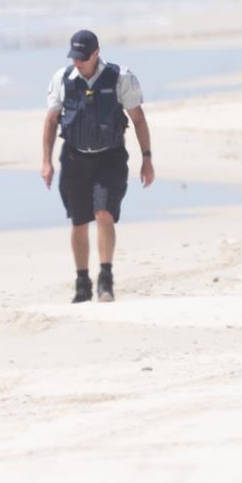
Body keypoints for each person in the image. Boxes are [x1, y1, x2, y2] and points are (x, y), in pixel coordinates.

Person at [40, 30, 154, 304]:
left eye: (83, 58)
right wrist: (46, 161)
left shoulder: (120, 78)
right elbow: (51, 121)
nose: (77, 62)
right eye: (74, 57)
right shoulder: (62, 79)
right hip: (74, 158)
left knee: (103, 213)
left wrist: (146, 158)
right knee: (78, 221)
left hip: (110, 157)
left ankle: (105, 277)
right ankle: (82, 282)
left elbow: (138, 119)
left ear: (96, 53)